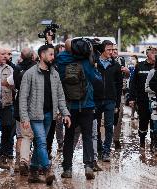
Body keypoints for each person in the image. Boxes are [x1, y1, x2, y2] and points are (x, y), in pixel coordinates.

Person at [19, 44, 71, 185]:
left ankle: (34, 171)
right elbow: (23, 98)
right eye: (51, 54)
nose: (53, 57)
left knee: (40, 144)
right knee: (42, 142)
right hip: (34, 116)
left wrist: (65, 113)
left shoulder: (54, 74)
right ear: (42, 55)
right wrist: (24, 117)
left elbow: (60, 96)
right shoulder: (29, 73)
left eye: (53, 55)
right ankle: (47, 169)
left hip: (49, 115)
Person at [57, 39, 98, 180]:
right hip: (87, 105)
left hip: (69, 107)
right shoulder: (87, 62)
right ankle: (88, 166)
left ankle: (67, 169)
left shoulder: (61, 60)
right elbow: (96, 79)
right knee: (87, 136)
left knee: (69, 137)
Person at [92, 40, 123, 162]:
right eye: (109, 49)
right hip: (96, 99)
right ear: (103, 50)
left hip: (110, 100)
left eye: (113, 49)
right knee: (96, 126)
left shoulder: (115, 65)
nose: (111, 52)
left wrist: (117, 103)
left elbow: (119, 85)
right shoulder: (94, 63)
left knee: (109, 126)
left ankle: (106, 151)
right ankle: (98, 148)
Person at [10, 47, 36, 175]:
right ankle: (32, 161)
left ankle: (18, 162)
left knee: (21, 136)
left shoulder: (17, 68)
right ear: (33, 57)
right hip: (35, 105)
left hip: (20, 104)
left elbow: (14, 84)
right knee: (34, 136)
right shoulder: (36, 68)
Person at [129, 46, 157, 150]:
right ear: (147, 54)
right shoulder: (140, 66)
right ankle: (142, 141)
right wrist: (131, 98)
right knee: (143, 121)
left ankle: (153, 143)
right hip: (142, 100)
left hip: (155, 100)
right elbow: (133, 83)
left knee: (155, 121)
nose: (155, 54)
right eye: (153, 52)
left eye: (156, 52)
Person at [112, 44, 129, 150]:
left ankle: (116, 139)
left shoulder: (121, 60)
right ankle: (106, 140)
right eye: (112, 49)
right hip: (108, 92)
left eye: (116, 50)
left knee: (119, 115)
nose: (114, 52)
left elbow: (127, 76)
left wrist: (127, 72)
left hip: (120, 92)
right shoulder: (105, 61)